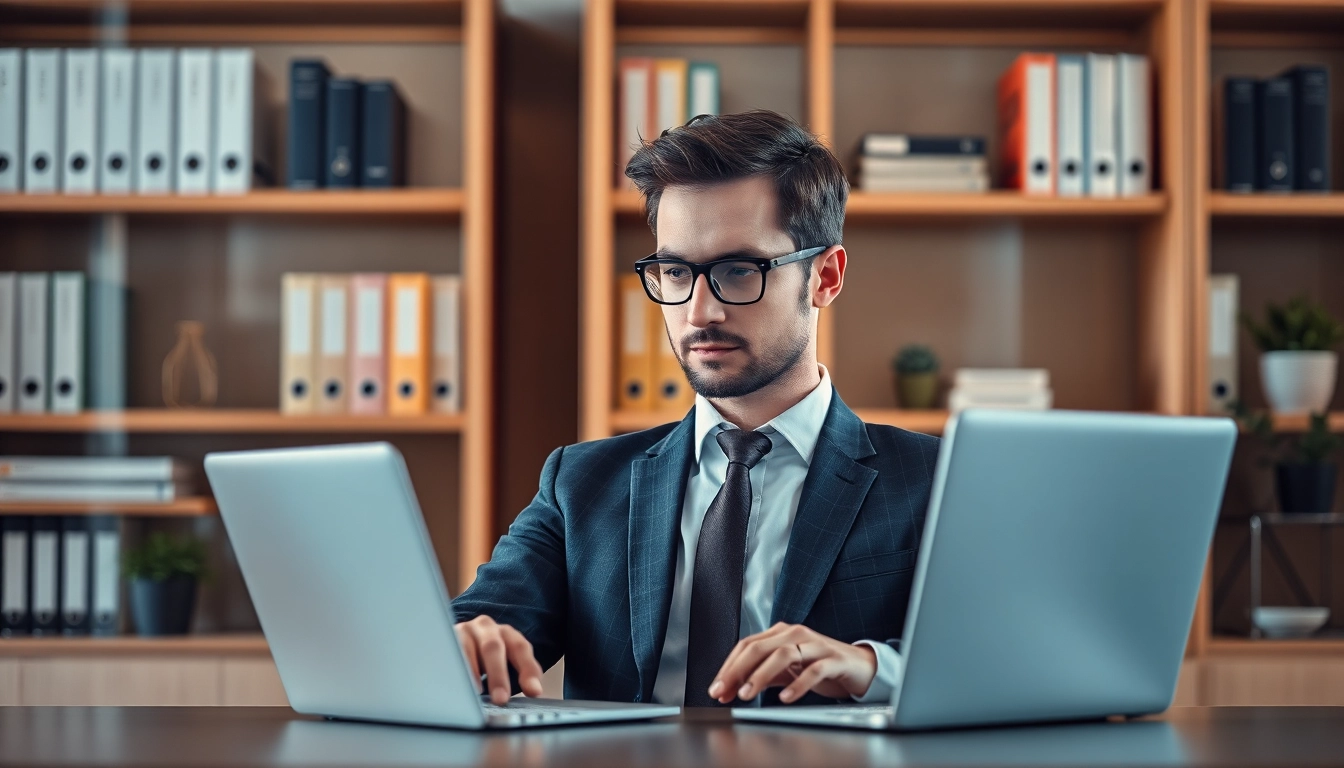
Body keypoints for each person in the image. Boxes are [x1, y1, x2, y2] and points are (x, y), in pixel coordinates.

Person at [453, 109, 939, 708]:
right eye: (676, 271)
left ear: (825, 277)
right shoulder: (580, 483)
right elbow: (479, 628)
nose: (699, 312)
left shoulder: (932, 480)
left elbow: (995, 662)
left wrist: (870, 666)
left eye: (740, 271)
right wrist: (464, 643)